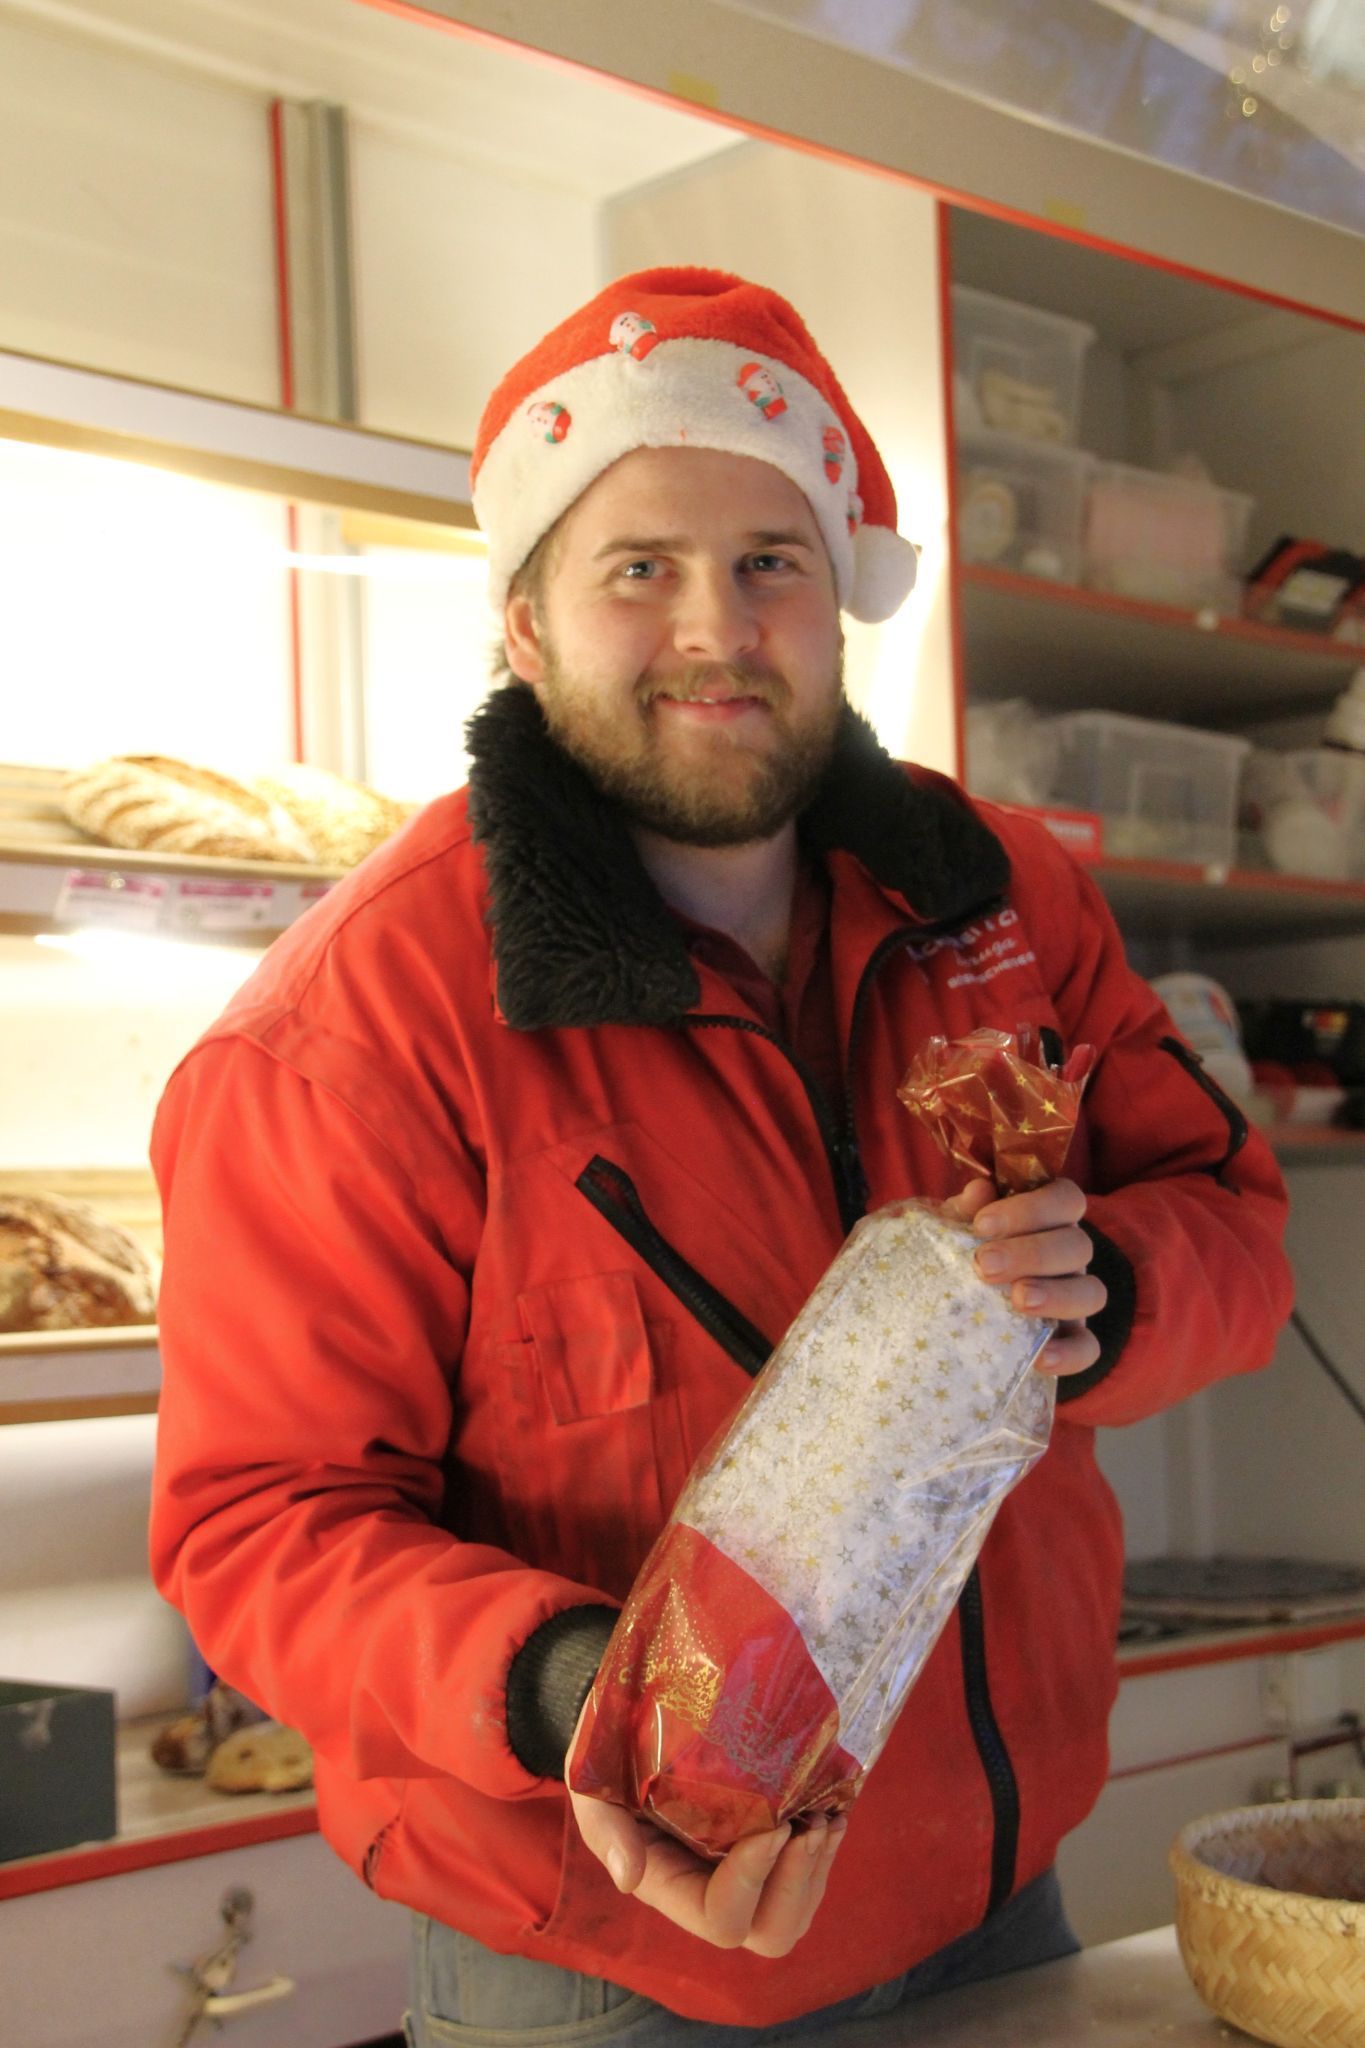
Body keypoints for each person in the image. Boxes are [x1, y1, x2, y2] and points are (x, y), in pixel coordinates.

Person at [149, 268, 1293, 2042]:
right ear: (522, 627)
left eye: (771, 561)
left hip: (998, 1889)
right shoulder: (354, 1033)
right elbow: (258, 1528)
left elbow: (1226, 1221)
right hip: (607, 1949)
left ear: (837, 601)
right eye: (636, 568)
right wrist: (577, 1693)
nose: (714, 625)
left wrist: (1115, 1296)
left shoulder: (993, 897)